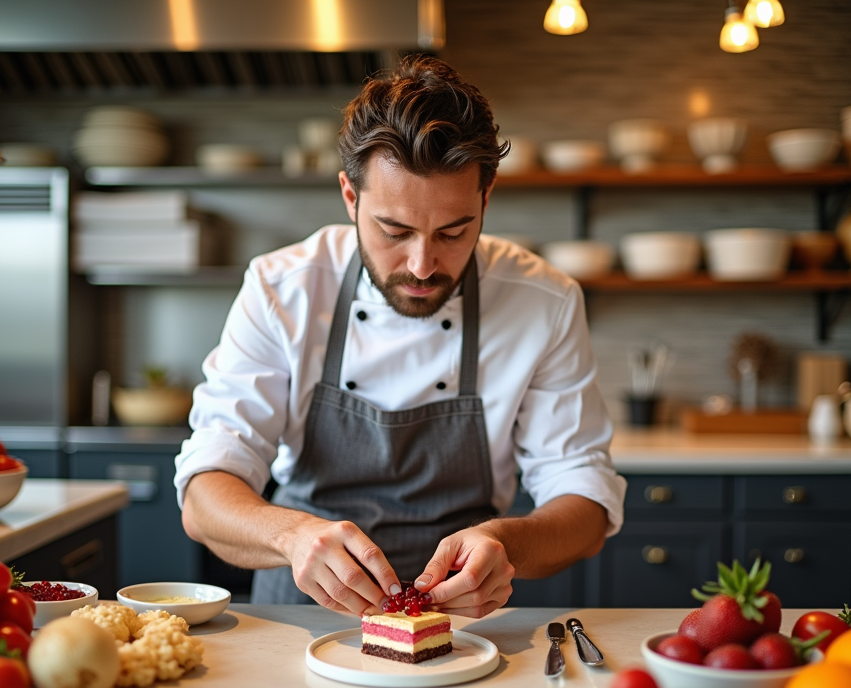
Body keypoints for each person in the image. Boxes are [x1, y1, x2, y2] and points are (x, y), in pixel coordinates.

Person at [174, 55, 626, 618]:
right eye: (395, 230)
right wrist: (291, 537)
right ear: (350, 197)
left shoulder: (545, 301)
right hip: (302, 614)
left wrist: (506, 545)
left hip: (466, 624)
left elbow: (584, 502)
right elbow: (204, 496)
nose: (421, 264)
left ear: (486, 201)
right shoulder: (281, 288)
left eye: (454, 232)